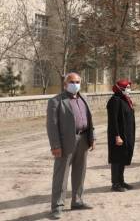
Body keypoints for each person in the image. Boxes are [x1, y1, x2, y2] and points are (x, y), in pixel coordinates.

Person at [47, 73, 95, 219]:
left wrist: (92, 137)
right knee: (61, 176)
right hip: (65, 142)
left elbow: (89, 118)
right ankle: (57, 206)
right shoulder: (56, 101)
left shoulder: (84, 98)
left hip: (84, 138)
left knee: (80, 172)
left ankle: (77, 200)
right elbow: (52, 125)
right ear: (65, 84)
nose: (75, 84)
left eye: (78, 81)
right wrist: (55, 145)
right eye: (72, 81)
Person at [107, 79, 136, 192]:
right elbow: (113, 121)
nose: (129, 89)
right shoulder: (115, 100)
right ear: (121, 88)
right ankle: (115, 183)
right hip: (118, 135)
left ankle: (121, 181)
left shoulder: (125, 100)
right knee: (116, 159)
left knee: (123, 157)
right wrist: (117, 136)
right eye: (127, 87)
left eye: (129, 86)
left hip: (127, 134)